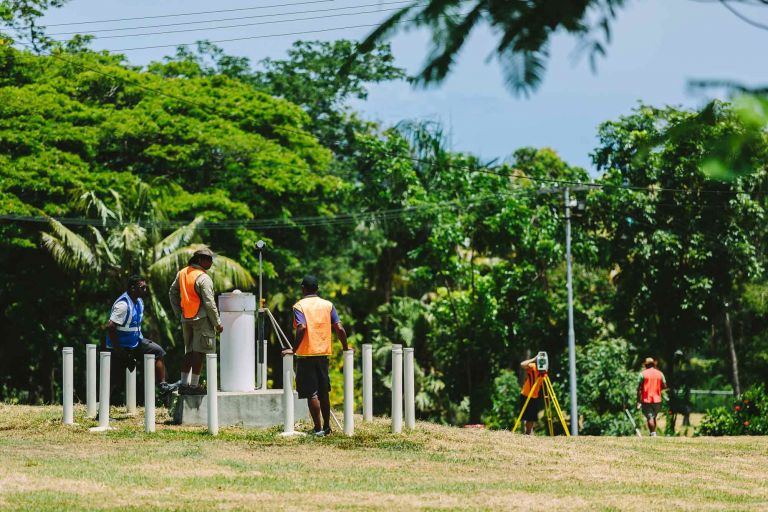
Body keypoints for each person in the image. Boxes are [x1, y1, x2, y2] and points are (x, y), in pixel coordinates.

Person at [283, 275, 350, 437]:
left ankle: (318, 428)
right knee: (323, 392)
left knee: (312, 393)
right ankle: (327, 427)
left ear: (303, 288)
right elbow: (339, 328)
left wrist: (293, 349)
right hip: (323, 354)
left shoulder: (299, 306)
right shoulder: (328, 305)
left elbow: (301, 327)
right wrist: (346, 347)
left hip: (306, 355)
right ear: (317, 289)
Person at [105, 275, 174, 397]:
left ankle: (163, 386)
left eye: (145, 287)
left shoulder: (140, 302)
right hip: (120, 347)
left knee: (158, 352)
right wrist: (120, 351)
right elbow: (110, 327)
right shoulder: (123, 305)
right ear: (132, 288)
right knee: (113, 380)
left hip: (136, 343)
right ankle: (103, 412)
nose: (145, 290)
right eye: (142, 288)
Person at [168, 247, 223, 395]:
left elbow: (172, 293)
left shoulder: (183, 273)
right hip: (202, 319)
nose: (211, 262)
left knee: (189, 351)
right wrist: (217, 323)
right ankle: (193, 386)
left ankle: (184, 384)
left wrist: (179, 313)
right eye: (208, 259)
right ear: (199, 260)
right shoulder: (203, 278)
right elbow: (210, 304)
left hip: (186, 318)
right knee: (199, 352)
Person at [637, 357, 667, 437]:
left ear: (646, 365)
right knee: (653, 417)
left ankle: (653, 434)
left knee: (650, 417)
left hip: (647, 399)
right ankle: (653, 433)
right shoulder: (660, 373)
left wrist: (638, 401)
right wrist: (657, 387)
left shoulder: (642, 374)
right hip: (657, 399)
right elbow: (664, 386)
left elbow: (639, 389)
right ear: (654, 364)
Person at [518, 355, 543, 435]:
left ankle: (528, 433)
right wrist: (534, 359)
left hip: (535, 396)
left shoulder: (544, 371)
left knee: (531, 417)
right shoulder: (533, 367)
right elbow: (522, 364)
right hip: (526, 394)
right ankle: (527, 432)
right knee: (525, 416)